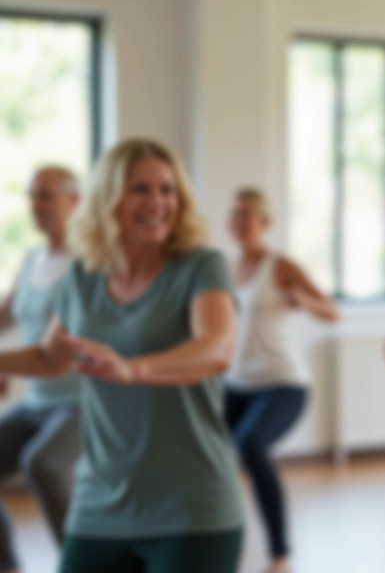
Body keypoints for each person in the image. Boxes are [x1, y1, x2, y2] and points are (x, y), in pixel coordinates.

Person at [0, 138, 244, 573]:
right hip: (100, 502)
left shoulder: (201, 266)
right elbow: (51, 358)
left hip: (191, 505)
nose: (157, 203)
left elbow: (217, 349)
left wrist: (134, 369)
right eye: (140, 190)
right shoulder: (83, 274)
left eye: (167, 190)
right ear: (107, 198)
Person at [225, 186, 339, 573]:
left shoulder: (280, 265)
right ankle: (214, 543)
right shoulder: (227, 268)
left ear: (265, 222)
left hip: (283, 384)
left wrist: (304, 301)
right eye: (234, 214)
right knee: (206, 452)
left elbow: (332, 311)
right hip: (236, 385)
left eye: (247, 215)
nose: (238, 222)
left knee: (250, 444)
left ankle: (280, 555)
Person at [0, 166, 81, 573]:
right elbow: (6, 313)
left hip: (82, 403)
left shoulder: (86, 265)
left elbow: (53, 355)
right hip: (37, 402)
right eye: (32, 195)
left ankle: (83, 564)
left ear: (74, 202)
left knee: (42, 464)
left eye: (46, 195)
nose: (35, 204)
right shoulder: (33, 259)